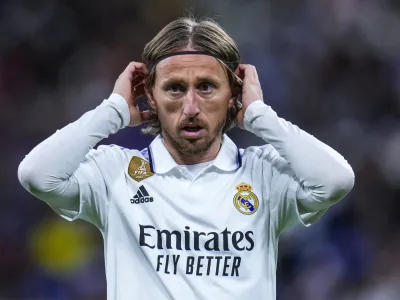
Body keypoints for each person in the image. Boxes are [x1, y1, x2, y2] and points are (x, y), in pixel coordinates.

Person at [18, 17, 355, 300]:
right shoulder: (115, 173)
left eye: (207, 87)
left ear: (232, 93)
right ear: (150, 94)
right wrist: (114, 110)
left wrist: (259, 116)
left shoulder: (264, 173)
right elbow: (37, 174)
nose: (191, 108)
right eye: (175, 88)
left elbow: (336, 181)